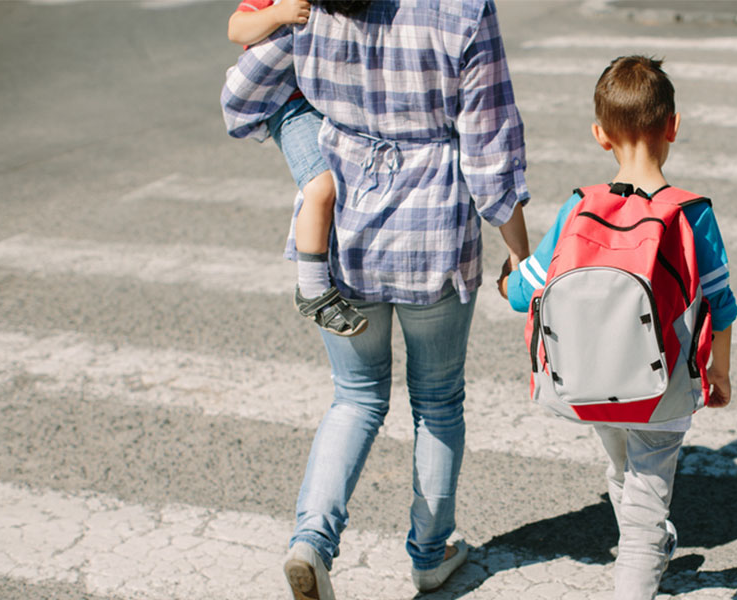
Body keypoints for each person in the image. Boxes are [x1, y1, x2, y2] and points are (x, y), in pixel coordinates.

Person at [221, 0, 531, 597]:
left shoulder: (316, 4)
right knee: (438, 402)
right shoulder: (462, 9)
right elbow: (489, 145)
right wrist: (520, 253)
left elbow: (241, 96)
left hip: (346, 235)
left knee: (354, 400)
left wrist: (310, 142)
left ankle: (311, 541)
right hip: (434, 235)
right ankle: (428, 552)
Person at [501, 55, 737, 600]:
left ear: (600, 136)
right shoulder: (691, 213)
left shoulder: (578, 207)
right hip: (664, 387)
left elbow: (522, 294)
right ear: (673, 127)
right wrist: (718, 374)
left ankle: (648, 543)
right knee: (646, 506)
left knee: (621, 467)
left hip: (587, 382)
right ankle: (643, 555)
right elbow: (721, 306)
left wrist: (507, 278)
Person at [227, 0, 367, 337]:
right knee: (321, 184)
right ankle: (313, 289)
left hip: (334, 98)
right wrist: (277, 14)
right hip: (290, 105)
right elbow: (236, 28)